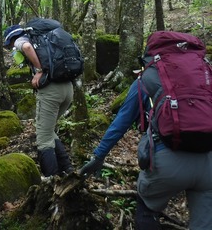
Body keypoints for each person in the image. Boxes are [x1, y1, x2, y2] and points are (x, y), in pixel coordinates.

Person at [78, 79, 212, 229]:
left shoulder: (146, 80)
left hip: (166, 164)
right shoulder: (204, 76)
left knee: (146, 209)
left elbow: (122, 122)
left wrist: (98, 156)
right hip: (207, 162)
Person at [3, 24, 74, 177]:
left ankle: (51, 181)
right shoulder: (46, 39)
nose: (11, 48)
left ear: (11, 39)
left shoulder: (22, 40)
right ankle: (67, 171)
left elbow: (27, 47)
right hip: (68, 88)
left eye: (9, 45)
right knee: (49, 131)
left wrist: (40, 71)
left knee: (43, 139)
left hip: (51, 91)